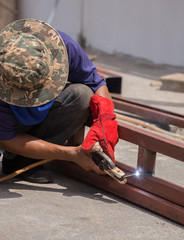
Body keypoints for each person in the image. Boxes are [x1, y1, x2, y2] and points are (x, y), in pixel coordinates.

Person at [0, 18, 119, 183]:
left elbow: (97, 84)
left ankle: (23, 161)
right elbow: (8, 139)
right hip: (7, 124)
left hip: (33, 119)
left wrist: (105, 120)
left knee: (83, 95)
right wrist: (71, 154)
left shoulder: (62, 47)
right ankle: (15, 157)